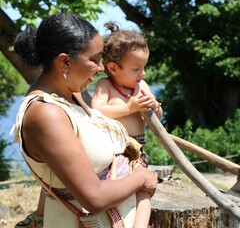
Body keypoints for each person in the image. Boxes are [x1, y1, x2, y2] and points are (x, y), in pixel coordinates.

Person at [12, 12, 158, 228]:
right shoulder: (45, 114)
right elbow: (94, 197)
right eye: (95, 60)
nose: (101, 68)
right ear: (64, 61)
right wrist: (142, 179)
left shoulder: (71, 94)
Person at [91, 22, 163, 228]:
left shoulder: (142, 86)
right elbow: (97, 111)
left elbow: (158, 116)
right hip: (111, 151)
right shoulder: (105, 85)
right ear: (113, 68)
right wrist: (129, 107)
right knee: (112, 190)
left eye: (144, 67)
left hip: (137, 151)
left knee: (144, 191)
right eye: (137, 68)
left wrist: (155, 107)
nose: (144, 73)